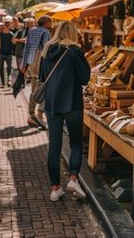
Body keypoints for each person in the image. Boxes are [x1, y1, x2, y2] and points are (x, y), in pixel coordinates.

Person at [39, 21, 90, 202]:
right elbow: (85, 79)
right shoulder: (75, 52)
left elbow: (42, 77)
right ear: (73, 33)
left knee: (54, 146)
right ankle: (73, 179)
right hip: (72, 103)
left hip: (52, 104)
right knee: (76, 143)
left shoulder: (46, 51)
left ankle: (55, 189)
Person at [21, 15, 52, 126]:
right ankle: (39, 115)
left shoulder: (31, 31)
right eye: (50, 22)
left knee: (34, 90)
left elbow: (27, 48)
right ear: (45, 22)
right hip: (42, 64)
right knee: (44, 89)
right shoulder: (46, 33)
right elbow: (46, 50)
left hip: (32, 63)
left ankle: (31, 114)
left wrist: (24, 64)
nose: (51, 25)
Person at [0, 18, 14, 87]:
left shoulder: (11, 34)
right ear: (5, 26)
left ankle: (9, 82)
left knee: (9, 69)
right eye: (7, 25)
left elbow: (13, 44)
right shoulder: (0, 34)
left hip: (9, 54)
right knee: (1, 69)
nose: (8, 26)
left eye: (9, 25)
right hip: (1, 53)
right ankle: (2, 83)